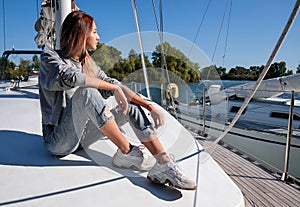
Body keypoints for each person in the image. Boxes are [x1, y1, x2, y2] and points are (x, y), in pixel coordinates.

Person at [38, 10, 196, 190]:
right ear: (81, 34)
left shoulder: (87, 63)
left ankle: (164, 164)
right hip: (59, 141)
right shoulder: (50, 58)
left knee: (130, 106)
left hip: (83, 136)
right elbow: (70, 77)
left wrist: (149, 106)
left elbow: (113, 83)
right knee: (87, 92)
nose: (99, 37)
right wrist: (114, 89)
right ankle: (127, 150)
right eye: (95, 32)